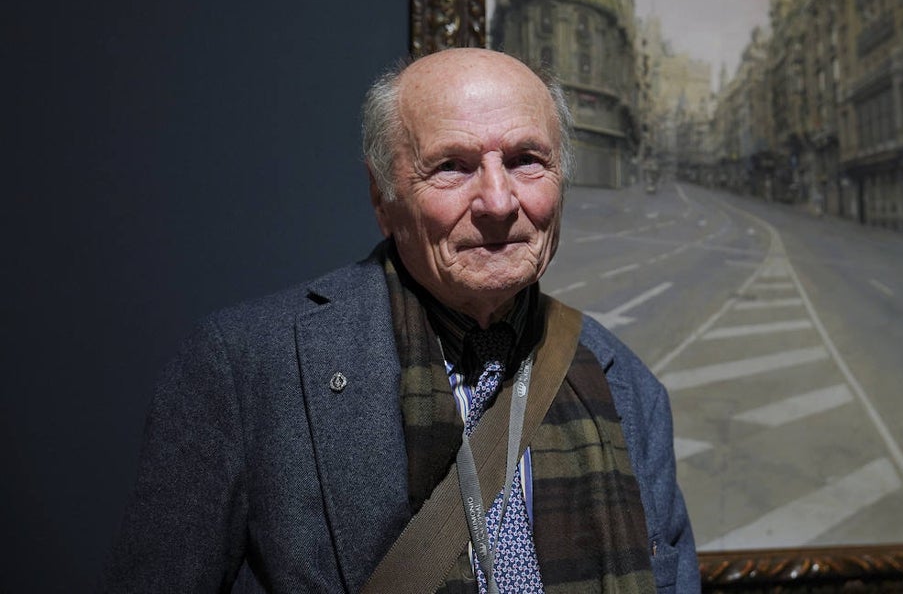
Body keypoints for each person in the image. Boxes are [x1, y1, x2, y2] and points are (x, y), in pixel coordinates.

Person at [100, 48, 698, 593]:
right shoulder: (244, 370)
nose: (498, 201)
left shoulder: (628, 389)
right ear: (382, 198)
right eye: (452, 167)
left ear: (559, 181)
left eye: (525, 160)